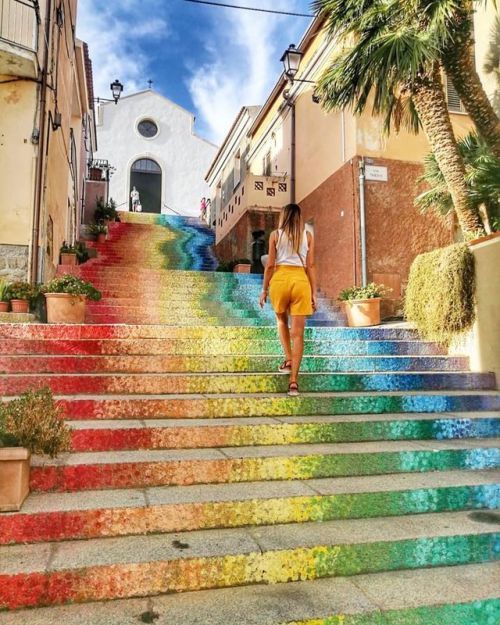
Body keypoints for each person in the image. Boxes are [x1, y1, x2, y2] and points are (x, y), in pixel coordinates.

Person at [259, 203, 317, 396]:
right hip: (301, 282)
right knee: (298, 334)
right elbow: (311, 266)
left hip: (281, 280)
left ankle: (288, 358)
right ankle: (293, 382)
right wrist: (314, 293)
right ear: (299, 218)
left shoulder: (276, 235)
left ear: (283, 216)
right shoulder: (308, 237)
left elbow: (269, 265)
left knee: (281, 320)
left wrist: (264, 290)